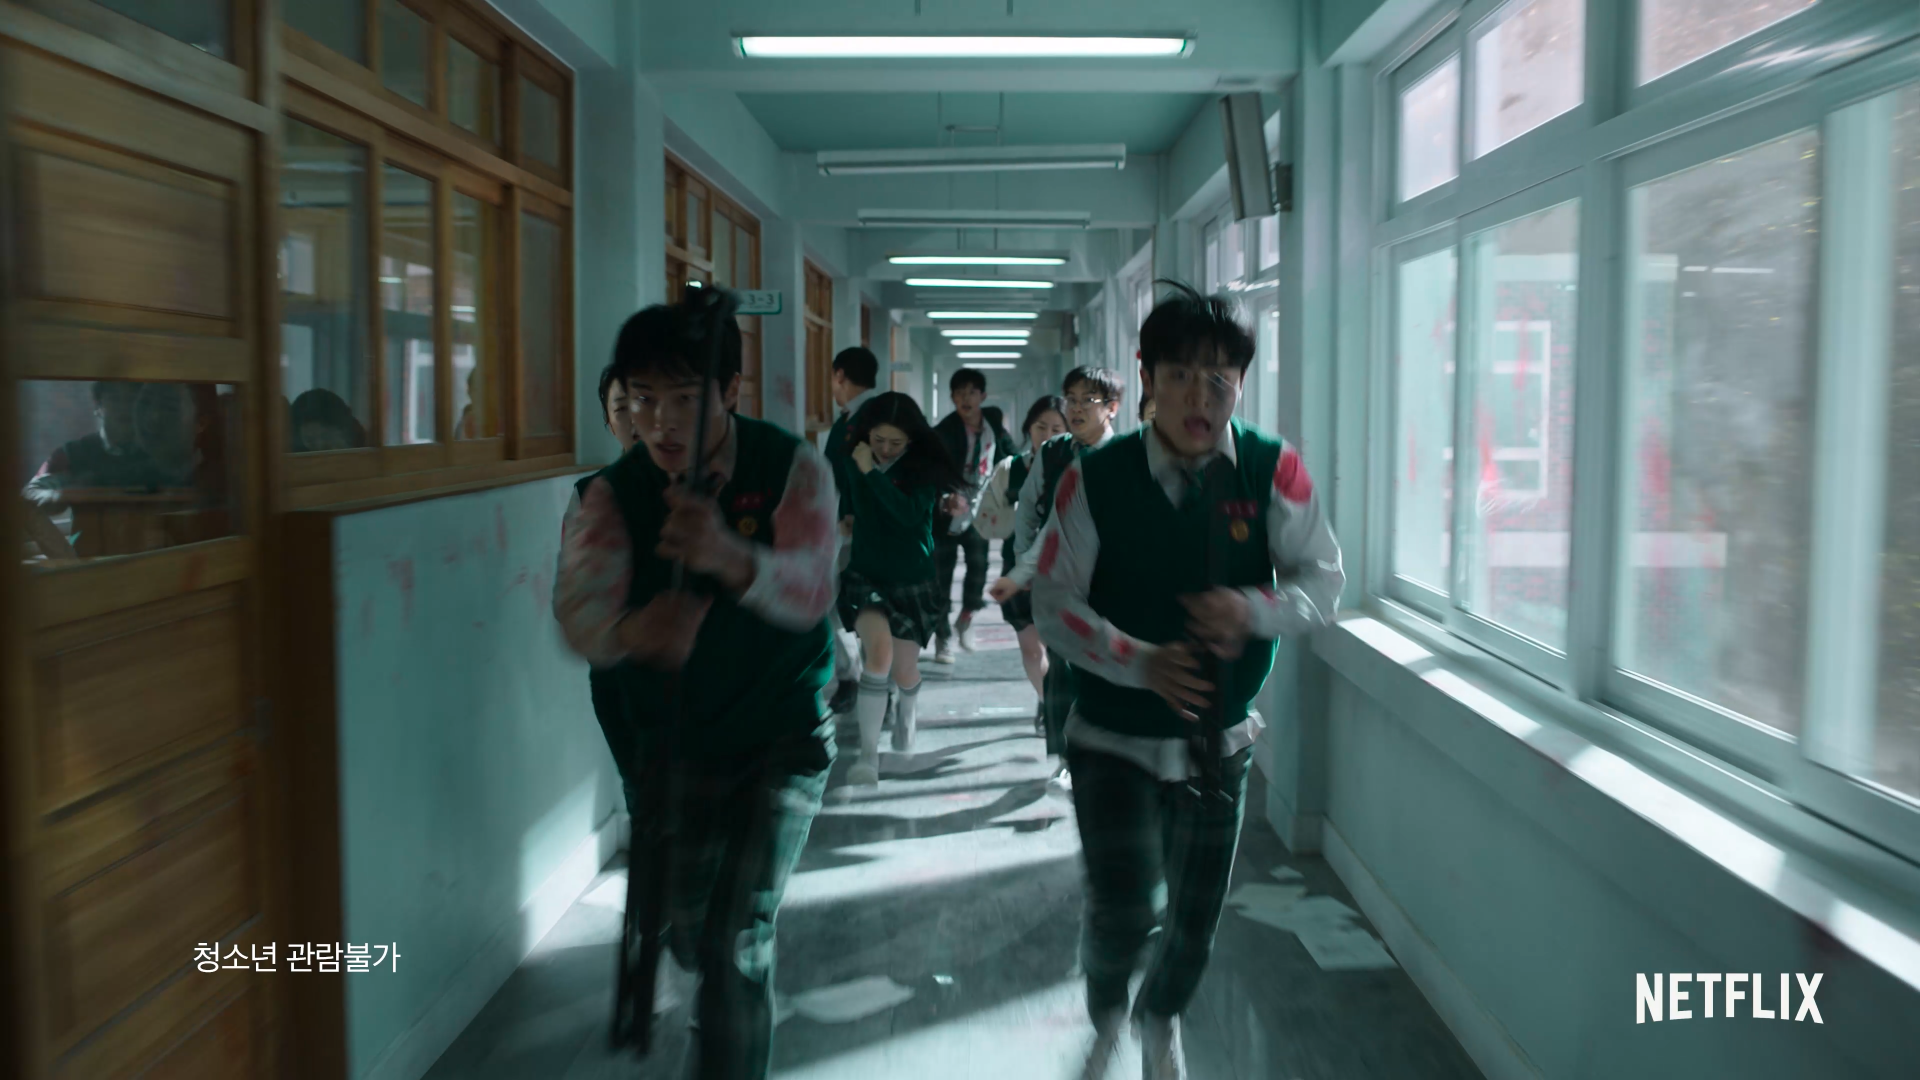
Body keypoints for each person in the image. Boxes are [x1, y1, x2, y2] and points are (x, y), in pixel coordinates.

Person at [1032, 285, 1344, 1080]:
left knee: (1196, 919)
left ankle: (1160, 1015)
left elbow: (1323, 581)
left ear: (1240, 383)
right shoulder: (1094, 478)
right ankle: (1108, 1014)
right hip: (1111, 736)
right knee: (1121, 907)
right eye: (1179, 376)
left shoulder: (1275, 470)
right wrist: (1138, 660)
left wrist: (1253, 608)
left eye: (1219, 380)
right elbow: (1053, 600)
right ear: (1146, 378)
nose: (1200, 399)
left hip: (1218, 738)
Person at [552, 291, 840, 1080]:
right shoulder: (609, 496)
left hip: (781, 731)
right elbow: (580, 615)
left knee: (737, 939)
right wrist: (634, 632)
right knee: (687, 932)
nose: (661, 422)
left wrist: (728, 558)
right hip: (669, 746)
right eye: (643, 399)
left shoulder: (792, 467)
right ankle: (715, 1017)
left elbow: (813, 587)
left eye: (684, 398)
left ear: (730, 391)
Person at [989, 367, 1125, 789]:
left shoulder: (1126, 456)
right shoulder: (1053, 452)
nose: (1076, 409)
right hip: (1058, 579)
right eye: (1072, 399)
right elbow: (1030, 510)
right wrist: (1025, 561)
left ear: (1113, 408)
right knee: (1064, 670)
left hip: (1110, 581)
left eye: (1088, 400)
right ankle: (1069, 758)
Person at [836, 392, 968, 787]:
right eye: (878, 439)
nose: (885, 449)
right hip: (867, 574)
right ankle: (868, 756)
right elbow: (855, 506)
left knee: (903, 670)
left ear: (911, 439)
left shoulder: (922, 468)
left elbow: (909, 517)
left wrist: (871, 474)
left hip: (913, 579)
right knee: (877, 656)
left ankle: (907, 707)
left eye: (896, 442)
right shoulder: (855, 458)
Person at [973, 394, 1068, 709]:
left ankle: (1060, 705)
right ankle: (1048, 704)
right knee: (1032, 649)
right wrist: (1018, 517)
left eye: (1057, 429)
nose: (1047, 435)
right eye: (1041, 427)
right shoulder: (1009, 469)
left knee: (1062, 651)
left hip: (1066, 574)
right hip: (1018, 572)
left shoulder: (1078, 467)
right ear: (1028, 428)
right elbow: (984, 521)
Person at [930, 368, 1012, 663]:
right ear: (952, 397)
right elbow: (932, 471)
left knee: (978, 568)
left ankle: (966, 618)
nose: (966, 399)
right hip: (948, 512)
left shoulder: (993, 427)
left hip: (981, 510)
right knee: (942, 575)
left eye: (972, 393)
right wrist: (945, 498)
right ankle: (942, 636)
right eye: (960, 393)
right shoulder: (943, 432)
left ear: (983, 396)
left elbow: (1010, 458)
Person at [823, 346, 883, 715]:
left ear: (840, 375)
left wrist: (852, 511)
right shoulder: (852, 418)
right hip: (841, 529)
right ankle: (854, 677)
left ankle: (873, 684)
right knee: (838, 605)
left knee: (864, 608)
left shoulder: (870, 418)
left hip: (858, 529)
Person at [23, 381, 166, 507]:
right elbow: (30, 491)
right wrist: (59, 496)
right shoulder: (72, 453)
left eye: (131, 399)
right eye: (115, 398)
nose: (124, 407)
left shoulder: (160, 453)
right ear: (98, 406)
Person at [290, 388, 368, 453]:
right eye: (310, 441)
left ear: (345, 432)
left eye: (326, 436)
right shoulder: (298, 460)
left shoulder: (367, 452)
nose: (320, 445)